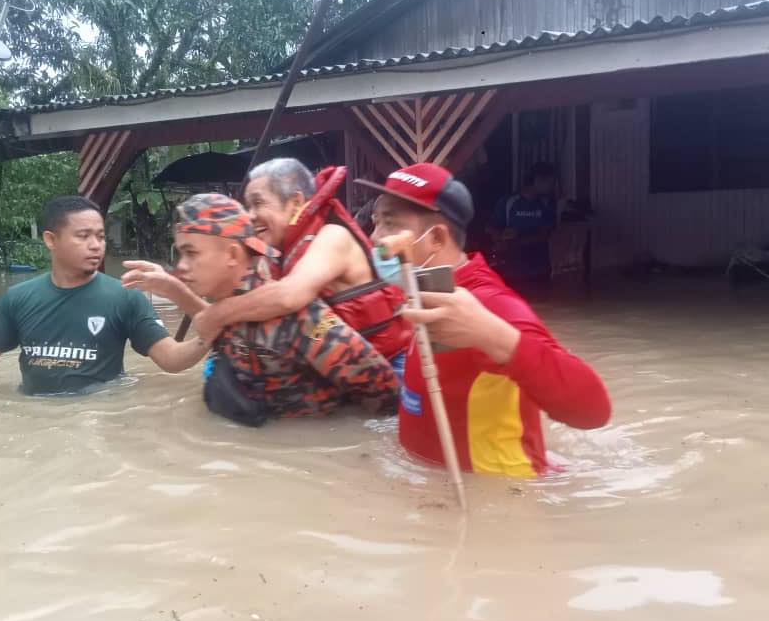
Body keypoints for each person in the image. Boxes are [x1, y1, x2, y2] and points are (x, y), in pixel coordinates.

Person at [360, 163, 611, 478]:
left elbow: (594, 411)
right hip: (429, 488)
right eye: (375, 221)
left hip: (496, 500)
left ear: (436, 237)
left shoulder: (488, 305)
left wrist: (491, 335)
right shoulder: (415, 288)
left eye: (389, 223)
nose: (374, 237)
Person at [0, 196, 208, 397]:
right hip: (33, 416)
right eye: (83, 236)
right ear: (50, 240)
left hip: (100, 415)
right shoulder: (18, 299)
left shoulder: (125, 296)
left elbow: (170, 359)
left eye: (99, 236)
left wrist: (209, 332)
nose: (96, 245)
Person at [166, 192, 398, 426]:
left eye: (191, 253)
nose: (182, 266)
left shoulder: (294, 319)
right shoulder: (226, 309)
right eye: (181, 253)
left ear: (232, 254)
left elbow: (384, 389)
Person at [185, 158, 411, 376]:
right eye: (247, 206)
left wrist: (217, 314)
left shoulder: (333, 236)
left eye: (258, 203)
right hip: (343, 373)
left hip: (391, 368)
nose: (250, 216)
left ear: (295, 202)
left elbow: (288, 297)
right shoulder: (276, 255)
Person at [488, 161, 558, 296]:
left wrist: (517, 241)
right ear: (538, 180)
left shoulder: (547, 203)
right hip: (511, 268)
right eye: (550, 182)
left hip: (540, 267)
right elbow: (491, 227)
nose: (552, 187)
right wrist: (500, 238)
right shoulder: (509, 202)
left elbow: (547, 233)